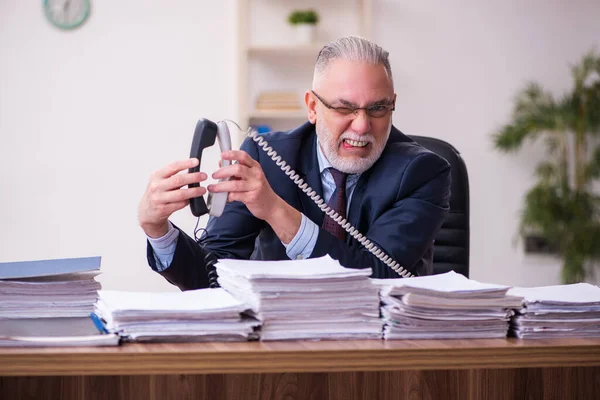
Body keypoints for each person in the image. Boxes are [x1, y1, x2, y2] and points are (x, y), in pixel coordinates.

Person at [138, 36, 451, 291]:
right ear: (313, 107)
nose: (361, 126)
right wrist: (158, 230)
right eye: (344, 109)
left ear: (392, 104)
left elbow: (381, 276)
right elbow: (212, 276)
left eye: (378, 108)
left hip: (382, 350)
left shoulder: (424, 173)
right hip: (278, 347)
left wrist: (276, 211)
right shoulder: (267, 157)